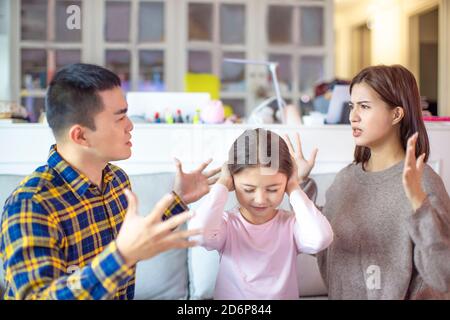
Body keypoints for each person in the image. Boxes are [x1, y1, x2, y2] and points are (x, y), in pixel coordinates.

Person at [0, 63, 220, 300]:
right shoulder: (31, 204)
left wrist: (178, 199)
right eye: (120, 117)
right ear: (81, 135)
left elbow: (136, 240)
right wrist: (121, 256)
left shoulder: (116, 180)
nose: (131, 125)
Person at [285, 65, 450, 299]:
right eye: (352, 106)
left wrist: (419, 203)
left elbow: (442, 276)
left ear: (396, 114)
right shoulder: (345, 179)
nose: (353, 116)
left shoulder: (423, 181)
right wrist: (299, 185)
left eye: (364, 106)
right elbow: (323, 242)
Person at [189, 128, 333, 299]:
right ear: (233, 181)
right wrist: (222, 183)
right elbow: (197, 234)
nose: (260, 199)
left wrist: (294, 186)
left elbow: (321, 238)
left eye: (273, 189)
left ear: (286, 182)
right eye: (248, 189)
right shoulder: (226, 225)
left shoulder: (291, 226)